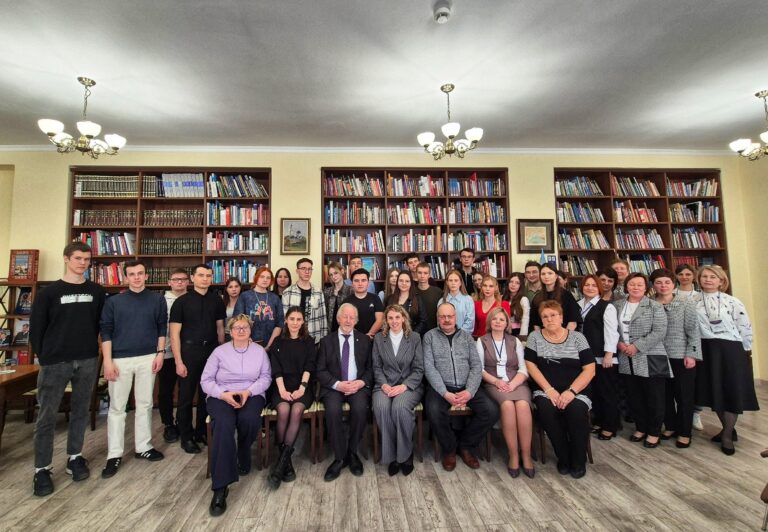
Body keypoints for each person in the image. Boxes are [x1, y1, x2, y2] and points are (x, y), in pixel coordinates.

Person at [29, 242, 106, 497]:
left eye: (87, 259)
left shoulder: (96, 291)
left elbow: (100, 324)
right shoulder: (49, 293)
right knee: (47, 415)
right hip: (55, 362)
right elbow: (36, 329)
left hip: (87, 359)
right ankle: (42, 468)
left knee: (81, 411)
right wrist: (46, 356)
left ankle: (75, 456)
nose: (83, 263)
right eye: (78, 258)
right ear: (66, 259)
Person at [100, 260, 168, 478]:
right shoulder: (113, 302)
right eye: (132, 274)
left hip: (148, 357)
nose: (137, 277)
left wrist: (160, 353)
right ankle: (114, 454)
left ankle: (143, 446)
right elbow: (106, 331)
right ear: (125, 277)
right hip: (120, 359)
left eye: (140, 273)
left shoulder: (157, 299)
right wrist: (107, 361)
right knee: (117, 407)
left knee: (145, 404)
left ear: (146, 276)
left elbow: (162, 327)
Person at [201, 314, 271, 516]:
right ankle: (220, 488)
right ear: (230, 332)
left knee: (249, 419)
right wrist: (223, 394)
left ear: (250, 330)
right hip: (221, 394)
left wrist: (248, 392)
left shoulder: (259, 352)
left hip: (251, 393)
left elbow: (266, 377)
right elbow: (206, 380)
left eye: (245, 327)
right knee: (224, 423)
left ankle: (242, 450)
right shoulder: (219, 352)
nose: (241, 331)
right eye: (237, 328)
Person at [423, 302, 499, 471]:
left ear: (455, 317)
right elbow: (429, 367)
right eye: (442, 316)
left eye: (450, 316)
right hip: (441, 387)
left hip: (467, 386)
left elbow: (476, 366)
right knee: (433, 410)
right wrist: (444, 393)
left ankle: (466, 445)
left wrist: (470, 391)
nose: (446, 320)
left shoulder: (466, 337)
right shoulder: (429, 337)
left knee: (491, 411)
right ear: (437, 318)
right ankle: (450, 449)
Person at [524, 301, 596, 478]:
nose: (549, 319)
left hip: (576, 389)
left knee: (576, 410)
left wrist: (571, 392)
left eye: (553, 315)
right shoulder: (535, 337)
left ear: (561, 317)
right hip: (546, 389)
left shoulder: (577, 338)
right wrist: (549, 390)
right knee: (546, 410)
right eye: (545, 317)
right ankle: (563, 456)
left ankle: (578, 459)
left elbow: (590, 369)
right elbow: (531, 366)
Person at [693, 265, 756, 455]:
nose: (708, 280)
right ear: (699, 279)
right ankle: (727, 428)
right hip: (706, 348)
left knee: (731, 390)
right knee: (716, 391)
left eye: (713, 277)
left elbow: (744, 326)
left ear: (721, 281)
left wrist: (746, 350)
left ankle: (727, 435)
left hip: (731, 349)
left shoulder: (733, 301)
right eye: (704, 276)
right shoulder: (693, 301)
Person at [170, 264, 226, 454]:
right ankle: (186, 436)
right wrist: (178, 361)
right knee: (186, 396)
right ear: (192, 278)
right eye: (201, 275)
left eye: (208, 275)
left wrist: (221, 353)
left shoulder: (216, 300)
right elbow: (174, 334)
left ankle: (202, 431)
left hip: (211, 350)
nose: (205, 279)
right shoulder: (181, 302)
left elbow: (220, 328)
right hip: (188, 351)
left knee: (206, 395)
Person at [316, 303, 373, 481]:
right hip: (334, 386)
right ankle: (340, 457)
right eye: (345, 317)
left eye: (352, 317)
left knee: (360, 409)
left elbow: (371, 369)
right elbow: (320, 371)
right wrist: (338, 385)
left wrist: (360, 383)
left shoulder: (365, 340)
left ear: (356, 321)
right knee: (333, 411)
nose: (348, 320)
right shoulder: (327, 341)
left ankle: (352, 452)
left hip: (357, 385)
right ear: (338, 319)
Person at [615, 273, 670, 448]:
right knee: (634, 396)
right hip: (625, 356)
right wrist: (619, 343)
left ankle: (654, 432)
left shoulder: (654, 306)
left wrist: (637, 346)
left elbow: (659, 331)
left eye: (640, 284)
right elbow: (611, 328)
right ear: (626, 286)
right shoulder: (617, 305)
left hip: (650, 356)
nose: (636, 287)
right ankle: (641, 427)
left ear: (646, 287)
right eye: (632, 284)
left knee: (654, 397)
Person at [477, 307, 533, 478]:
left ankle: (526, 455)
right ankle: (513, 455)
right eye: (494, 319)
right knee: (508, 405)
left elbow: (523, 369)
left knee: (523, 405)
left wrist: (513, 384)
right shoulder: (482, 341)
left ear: (507, 323)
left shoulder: (514, 341)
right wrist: (496, 382)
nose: (498, 322)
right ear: (490, 322)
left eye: (501, 319)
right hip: (493, 383)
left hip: (516, 382)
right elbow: (480, 369)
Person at [651, 268, 701, 448]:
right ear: (653, 285)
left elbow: (693, 330)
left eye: (667, 282)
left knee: (684, 395)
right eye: (658, 282)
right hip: (657, 355)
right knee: (664, 395)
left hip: (681, 355)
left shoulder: (686, 302)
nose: (663, 286)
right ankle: (671, 426)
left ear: (673, 284)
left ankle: (685, 432)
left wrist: (692, 354)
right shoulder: (649, 303)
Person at [267, 306, 317, 489]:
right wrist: (281, 389)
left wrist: (302, 388)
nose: (295, 323)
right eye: (292, 319)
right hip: (280, 385)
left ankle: (280, 465)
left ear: (303, 322)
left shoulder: (309, 342)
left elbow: (310, 365)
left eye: (299, 319)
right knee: (283, 409)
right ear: (286, 321)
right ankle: (285, 462)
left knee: (296, 410)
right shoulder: (277, 342)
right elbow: (275, 368)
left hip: (303, 386)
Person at [372, 304, 424, 476]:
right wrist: (384, 385)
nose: (394, 321)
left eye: (397, 317)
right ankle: (393, 455)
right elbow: (376, 367)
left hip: (409, 385)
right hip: (384, 384)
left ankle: (405, 455)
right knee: (381, 407)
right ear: (386, 320)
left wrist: (404, 386)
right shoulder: (379, 338)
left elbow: (419, 368)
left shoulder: (414, 338)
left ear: (403, 318)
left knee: (399, 407)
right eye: (390, 318)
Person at [576, 275, 619, 440]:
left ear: (599, 288)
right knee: (594, 392)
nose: (590, 288)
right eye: (587, 285)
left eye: (594, 285)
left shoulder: (606, 306)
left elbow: (611, 332)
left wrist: (609, 354)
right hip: (584, 356)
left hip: (603, 356)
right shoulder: (578, 305)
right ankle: (600, 422)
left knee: (607, 392)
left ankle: (610, 426)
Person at [159, 268, 189, 443]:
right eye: (176, 279)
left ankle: (182, 422)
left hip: (188, 351)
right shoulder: (161, 301)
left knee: (185, 391)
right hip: (167, 352)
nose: (179, 282)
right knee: (166, 390)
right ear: (169, 282)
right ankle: (168, 424)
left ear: (188, 282)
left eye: (183, 279)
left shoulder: (192, 299)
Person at [674, 263, 704, 431]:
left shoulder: (701, 296)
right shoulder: (670, 294)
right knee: (680, 383)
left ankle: (696, 413)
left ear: (694, 276)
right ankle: (679, 415)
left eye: (688, 274)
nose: (684, 277)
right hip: (678, 343)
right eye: (681, 274)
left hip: (700, 341)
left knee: (698, 381)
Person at [234, 266, 284, 349]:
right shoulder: (245, 296)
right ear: (256, 277)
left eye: (268, 278)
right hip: (247, 344)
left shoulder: (275, 298)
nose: (265, 280)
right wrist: (247, 340)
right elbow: (237, 320)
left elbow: (279, 324)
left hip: (271, 345)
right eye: (262, 277)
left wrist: (269, 346)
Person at [281, 258, 328, 344]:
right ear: (297, 271)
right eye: (303, 269)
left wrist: (324, 339)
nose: (307, 272)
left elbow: (322, 317)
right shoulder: (287, 292)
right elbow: (285, 318)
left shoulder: (318, 292)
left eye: (309, 269)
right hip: (293, 338)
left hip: (314, 337)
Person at [530, 263, 581, 332]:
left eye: (550, 273)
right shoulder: (537, 297)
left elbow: (573, 322)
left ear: (556, 276)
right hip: (543, 336)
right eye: (543, 274)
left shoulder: (566, 295)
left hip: (564, 335)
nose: (546, 276)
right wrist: (541, 337)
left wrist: (564, 337)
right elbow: (535, 324)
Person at [343, 268, 384, 339]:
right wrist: (360, 338)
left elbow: (380, 320)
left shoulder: (375, 298)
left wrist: (367, 336)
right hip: (354, 339)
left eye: (363, 280)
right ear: (352, 284)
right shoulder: (347, 301)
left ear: (368, 283)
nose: (360, 283)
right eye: (356, 281)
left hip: (373, 339)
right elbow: (345, 322)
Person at [384, 270, 427, 335]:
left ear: (411, 283)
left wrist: (412, 334)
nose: (404, 283)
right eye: (401, 281)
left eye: (407, 281)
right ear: (397, 282)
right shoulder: (389, 299)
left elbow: (423, 321)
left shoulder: (417, 299)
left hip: (412, 335)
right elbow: (386, 319)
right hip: (393, 335)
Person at [438, 270, 475, 334]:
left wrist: (457, 335)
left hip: (463, 336)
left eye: (456, 280)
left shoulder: (468, 300)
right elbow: (440, 322)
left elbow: (470, 322)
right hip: (445, 336)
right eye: (450, 280)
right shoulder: (441, 301)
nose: (453, 283)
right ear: (447, 282)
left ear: (460, 283)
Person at [322, 261, 352, 331]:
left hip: (346, 329)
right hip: (331, 330)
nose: (333, 277)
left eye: (336, 273)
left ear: (342, 271)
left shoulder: (351, 291)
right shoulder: (327, 292)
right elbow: (325, 313)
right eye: (331, 275)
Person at [415, 262, 443, 332]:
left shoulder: (438, 292)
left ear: (429, 275)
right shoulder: (412, 292)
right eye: (420, 273)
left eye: (425, 273)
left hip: (435, 331)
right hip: (417, 331)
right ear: (416, 274)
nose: (422, 276)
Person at [502, 272, 530, 339]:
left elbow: (525, 320)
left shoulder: (523, 299)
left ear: (521, 285)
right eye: (511, 282)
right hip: (503, 331)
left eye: (517, 283)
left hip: (517, 332)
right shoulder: (503, 297)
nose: (513, 285)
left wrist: (522, 337)